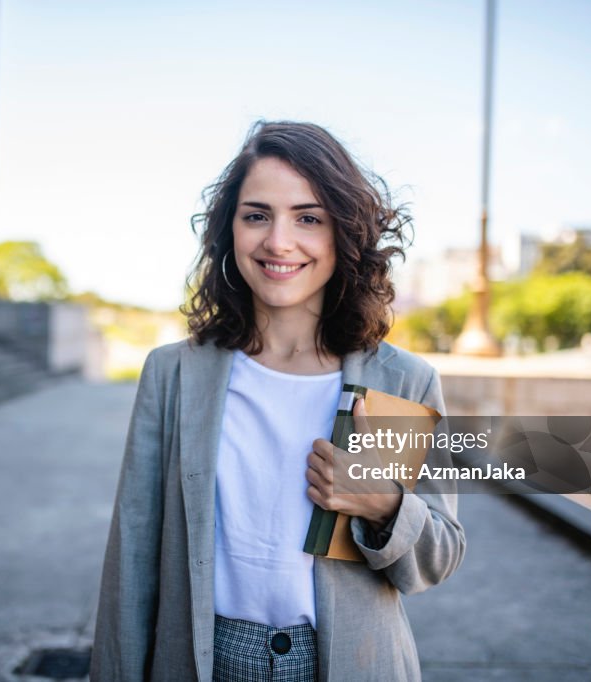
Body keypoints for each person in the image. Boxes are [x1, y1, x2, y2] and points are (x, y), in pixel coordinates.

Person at [91, 121, 465, 681]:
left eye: (308, 218)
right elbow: (133, 557)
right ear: (229, 230)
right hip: (197, 663)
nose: (278, 241)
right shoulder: (173, 375)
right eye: (257, 215)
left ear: (344, 233)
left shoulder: (400, 380)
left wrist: (384, 503)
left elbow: (434, 561)